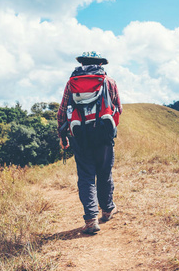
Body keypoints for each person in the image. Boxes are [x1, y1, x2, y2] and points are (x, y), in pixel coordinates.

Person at [57, 51, 122, 234]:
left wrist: (63, 137)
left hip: (80, 136)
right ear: (101, 64)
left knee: (86, 177)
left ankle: (91, 220)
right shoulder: (109, 81)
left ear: (81, 63)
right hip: (103, 135)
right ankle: (107, 210)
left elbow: (62, 111)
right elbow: (119, 107)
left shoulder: (71, 83)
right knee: (104, 173)